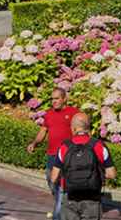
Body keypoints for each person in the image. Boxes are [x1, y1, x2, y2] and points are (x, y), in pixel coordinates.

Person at [50, 113, 117, 220]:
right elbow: (112, 174)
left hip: (70, 197)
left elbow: (53, 177)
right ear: (89, 128)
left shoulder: (65, 146)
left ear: (73, 128)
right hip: (92, 198)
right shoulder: (98, 145)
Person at [27, 88, 79, 219]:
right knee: (51, 181)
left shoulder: (73, 113)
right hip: (52, 155)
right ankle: (62, 203)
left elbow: (79, 132)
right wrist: (34, 143)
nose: (54, 102)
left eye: (57, 99)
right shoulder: (49, 114)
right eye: (52, 99)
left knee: (62, 185)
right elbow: (43, 131)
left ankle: (60, 211)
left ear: (64, 99)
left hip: (67, 156)